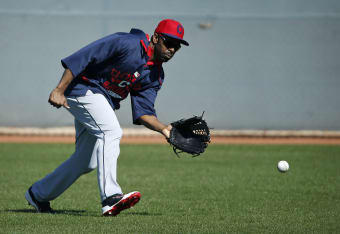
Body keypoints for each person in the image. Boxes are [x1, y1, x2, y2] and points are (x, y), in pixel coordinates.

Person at [25, 19, 189, 216]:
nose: (172, 49)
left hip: (100, 102)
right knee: (110, 131)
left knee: (86, 162)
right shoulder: (127, 43)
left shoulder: (155, 74)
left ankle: (38, 194)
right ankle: (110, 197)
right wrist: (59, 89)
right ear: (155, 37)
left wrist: (164, 128)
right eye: (169, 42)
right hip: (81, 88)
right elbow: (82, 58)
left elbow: (144, 112)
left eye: (177, 46)